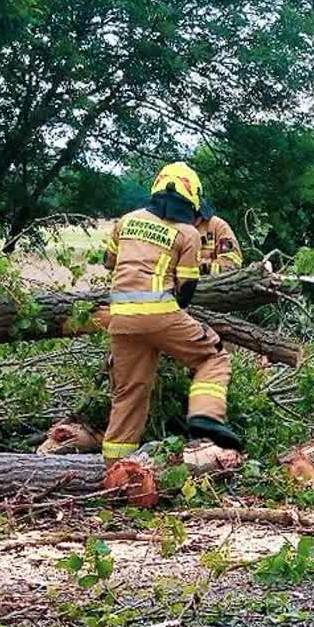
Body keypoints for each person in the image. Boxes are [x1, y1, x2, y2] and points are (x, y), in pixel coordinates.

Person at [101, 162, 243, 462]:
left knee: (128, 394)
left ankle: (115, 471)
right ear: (191, 199)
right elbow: (187, 286)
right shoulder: (187, 233)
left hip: (120, 319)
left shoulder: (126, 221)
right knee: (213, 355)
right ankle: (206, 416)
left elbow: (109, 261)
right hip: (162, 313)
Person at [194, 198, 243, 276]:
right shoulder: (172, 225)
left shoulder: (218, 226)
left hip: (213, 284)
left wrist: (203, 268)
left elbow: (231, 262)